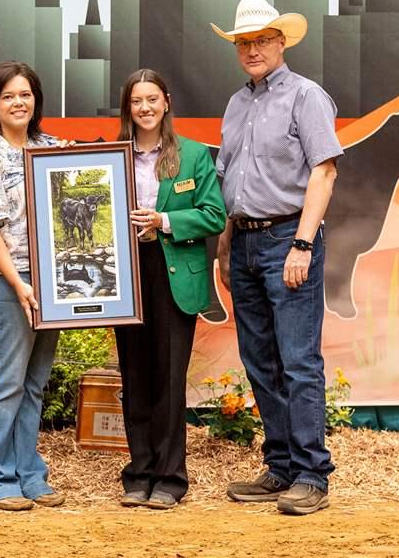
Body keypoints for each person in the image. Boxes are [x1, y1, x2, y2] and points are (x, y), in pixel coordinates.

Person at [211, 0, 343, 516]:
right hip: (243, 242)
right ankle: (282, 464)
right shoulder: (237, 103)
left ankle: (312, 473)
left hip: (289, 237)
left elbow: (325, 171)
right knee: (260, 360)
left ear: (281, 42)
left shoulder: (306, 96)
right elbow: (229, 182)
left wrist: (303, 244)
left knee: (298, 360)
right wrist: (225, 246)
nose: (252, 50)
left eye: (262, 40)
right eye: (244, 42)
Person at [114, 69, 227, 510]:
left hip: (173, 270)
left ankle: (170, 478)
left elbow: (214, 215)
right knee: (135, 375)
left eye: (152, 99)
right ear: (128, 107)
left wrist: (165, 222)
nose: (144, 108)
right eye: (136, 101)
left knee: (168, 376)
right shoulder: (112, 155)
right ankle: (138, 473)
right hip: (126, 273)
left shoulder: (194, 156)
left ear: (166, 102)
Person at [0, 61, 64, 511]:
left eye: (25, 94)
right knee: (6, 380)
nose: (18, 102)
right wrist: (18, 282)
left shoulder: (55, 150)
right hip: (5, 281)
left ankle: (29, 473)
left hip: (52, 284)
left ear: (36, 99)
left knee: (35, 381)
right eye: (8, 96)